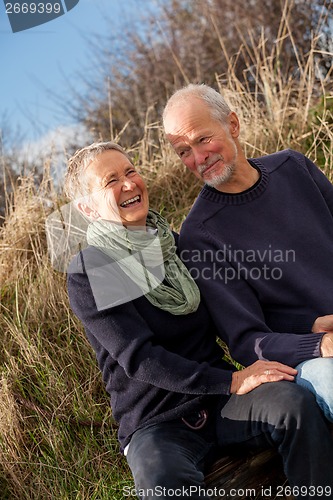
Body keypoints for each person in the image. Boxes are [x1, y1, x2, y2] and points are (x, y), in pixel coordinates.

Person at [64, 141, 333, 500]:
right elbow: (141, 358)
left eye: (130, 171)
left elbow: (237, 312)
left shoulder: (175, 247)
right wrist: (233, 379)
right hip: (156, 420)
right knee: (164, 486)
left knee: (294, 406)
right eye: (111, 180)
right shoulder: (92, 267)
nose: (129, 184)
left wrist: (308, 327)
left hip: (221, 403)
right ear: (87, 207)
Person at [162, 83, 333, 423]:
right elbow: (246, 340)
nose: (197, 159)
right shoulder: (200, 236)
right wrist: (319, 344)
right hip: (313, 357)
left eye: (202, 139)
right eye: (183, 151)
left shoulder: (293, 167)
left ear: (233, 125)